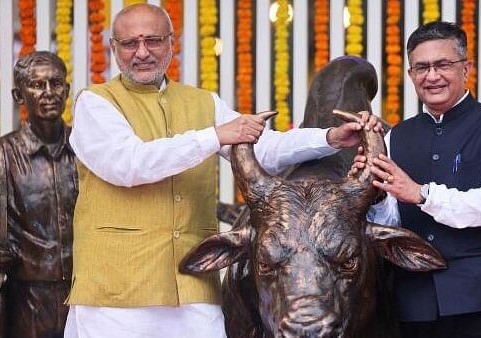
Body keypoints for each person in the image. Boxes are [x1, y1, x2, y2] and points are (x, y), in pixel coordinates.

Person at [64, 4, 382, 338]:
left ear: (172, 44)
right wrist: (215, 136)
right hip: (115, 288)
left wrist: (328, 138)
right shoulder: (95, 103)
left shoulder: (203, 102)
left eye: (153, 41)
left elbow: (264, 149)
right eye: (130, 44)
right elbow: (128, 164)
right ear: (113, 48)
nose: (142, 52)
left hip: (191, 286)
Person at [352, 21, 481, 338]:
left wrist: (421, 194)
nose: (431, 76)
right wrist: (373, 193)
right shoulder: (397, 137)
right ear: (410, 75)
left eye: (442, 65)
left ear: (466, 69)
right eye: (421, 67)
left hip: (480, 304)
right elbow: (389, 220)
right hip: (410, 305)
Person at [0, 51, 76, 337]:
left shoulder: (85, 151)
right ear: (18, 95)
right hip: (24, 303)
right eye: (37, 85)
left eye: (56, 83)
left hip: (83, 300)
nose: (49, 92)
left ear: (67, 90)